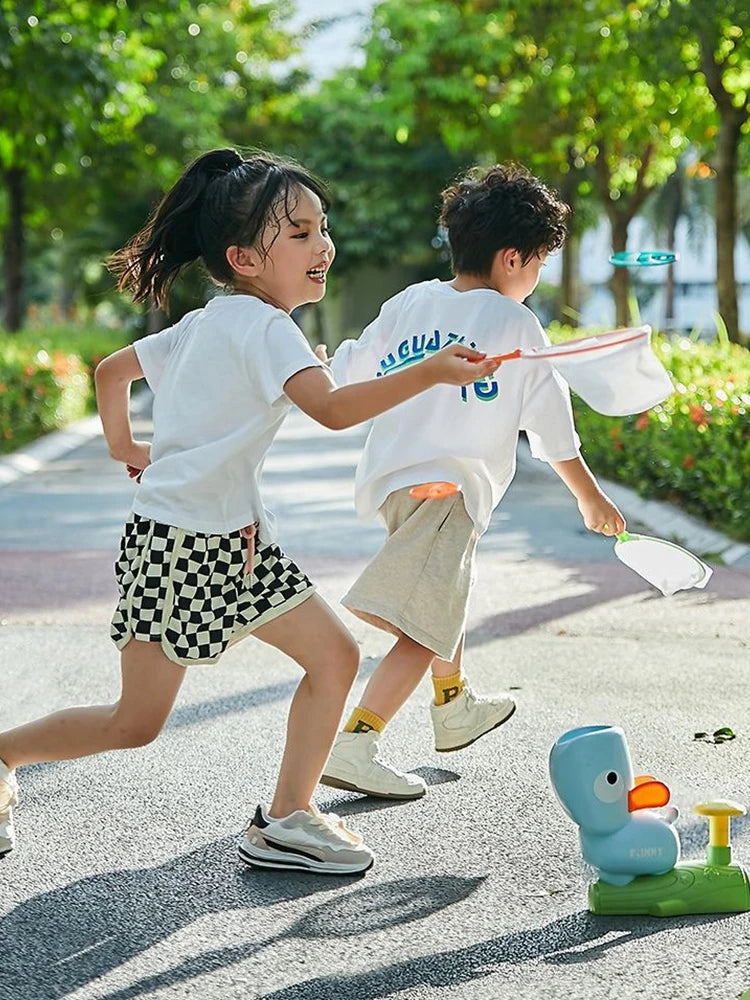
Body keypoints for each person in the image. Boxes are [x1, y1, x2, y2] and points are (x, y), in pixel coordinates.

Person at [0, 149, 500, 875]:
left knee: (333, 656)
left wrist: (127, 447)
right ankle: (5, 754)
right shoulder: (266, 330)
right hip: (183, 547)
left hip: (234, 542)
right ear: (242, 257)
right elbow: (329, 409)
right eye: (298, 233)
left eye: (320, 227)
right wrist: (426, 371)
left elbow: (111, 373)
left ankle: (289, 817)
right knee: (134, 724)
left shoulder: (215, 321)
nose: (321, 245)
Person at [319, 163, 626, 801]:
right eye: (539, 262)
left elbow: (350, 367)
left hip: (396, 487)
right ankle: (357, 739)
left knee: (442, 596)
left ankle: (453, 703)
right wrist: (588, 495)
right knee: (421, 624)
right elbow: (550, 425)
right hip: (450, 490)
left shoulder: (408, 303)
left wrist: (320, 365)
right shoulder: (515, 325)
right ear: (513, 258)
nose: (537, 276)